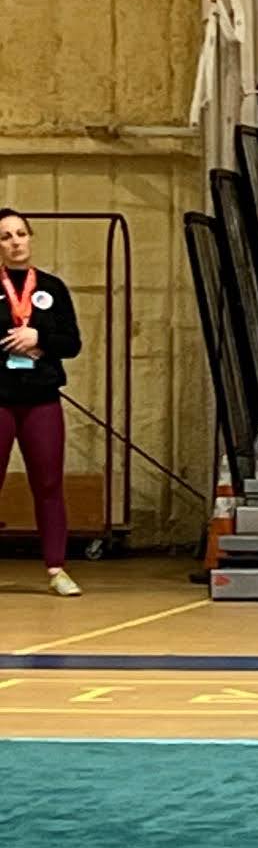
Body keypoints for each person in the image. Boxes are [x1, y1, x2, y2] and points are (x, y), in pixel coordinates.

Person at [0, 210, 83, 597]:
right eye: (5, 236)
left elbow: (72, 343)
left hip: (41, 399)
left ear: (30, 237)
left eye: (20, 233)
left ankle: (56, 568)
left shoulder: (52, 287)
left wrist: (39, 339)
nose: (15, 241)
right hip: (0, 399)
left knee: (48, 484)